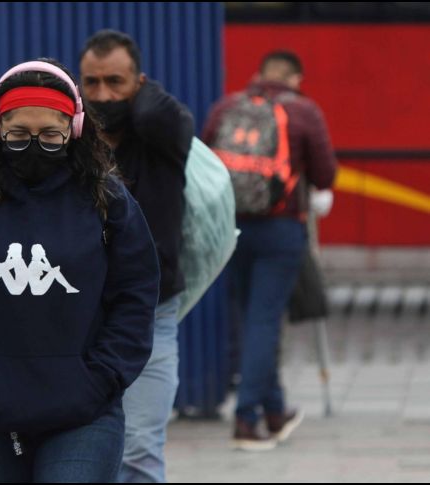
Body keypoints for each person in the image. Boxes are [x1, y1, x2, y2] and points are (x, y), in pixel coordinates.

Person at [0, 59, 160, 483]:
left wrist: (101, 376)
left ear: (74, 129)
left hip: (85, 409)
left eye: (50, 134)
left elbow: (136, 295)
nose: (34, 145)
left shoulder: (107, 200)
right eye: (18, 134)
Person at [202, 50, 337, 451]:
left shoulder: (227, 105)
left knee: (250, 317)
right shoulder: (304, 111)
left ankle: (275, 410)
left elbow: (205, 158)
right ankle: (247, 420)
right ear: (296, 77)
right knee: (264, 320)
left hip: (232, 226)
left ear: (259, 74)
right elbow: (326, 173)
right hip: (280, 230)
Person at [79, 30, 194, 482]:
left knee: (141, 451)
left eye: (116, 82)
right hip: (80, 316)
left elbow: (161, 115)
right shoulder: (69, 145)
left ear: (140, 83)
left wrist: (140, 94)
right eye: (91, 83)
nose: (103, 95)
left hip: (150, 313)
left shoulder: (159, 137)